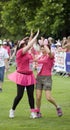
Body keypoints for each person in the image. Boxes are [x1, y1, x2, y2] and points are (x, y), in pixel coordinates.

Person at [8, 30, 39, 119]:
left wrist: (31, 35)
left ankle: (33, 112)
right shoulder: (19, 52)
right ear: (22, 46)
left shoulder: (27, 52)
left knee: (30, 95)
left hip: (29, 75)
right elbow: (29, 45)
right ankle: (12, 110)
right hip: (21, 75)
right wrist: (35, 36)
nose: (27, 45)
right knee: (20, 95)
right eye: (25, 44)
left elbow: (29, 45)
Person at [34, 39, 63, 117]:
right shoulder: (40, 56)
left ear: (47, 48)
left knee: (48, 97)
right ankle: (38, 112)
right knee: (38, 96)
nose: (42, 49)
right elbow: (34, 60)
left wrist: (45, 44)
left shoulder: (50, 56)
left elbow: (49, 52)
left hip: (47, 78)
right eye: (41, 48)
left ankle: (58, 107)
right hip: (39, 77)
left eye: (44, 48)